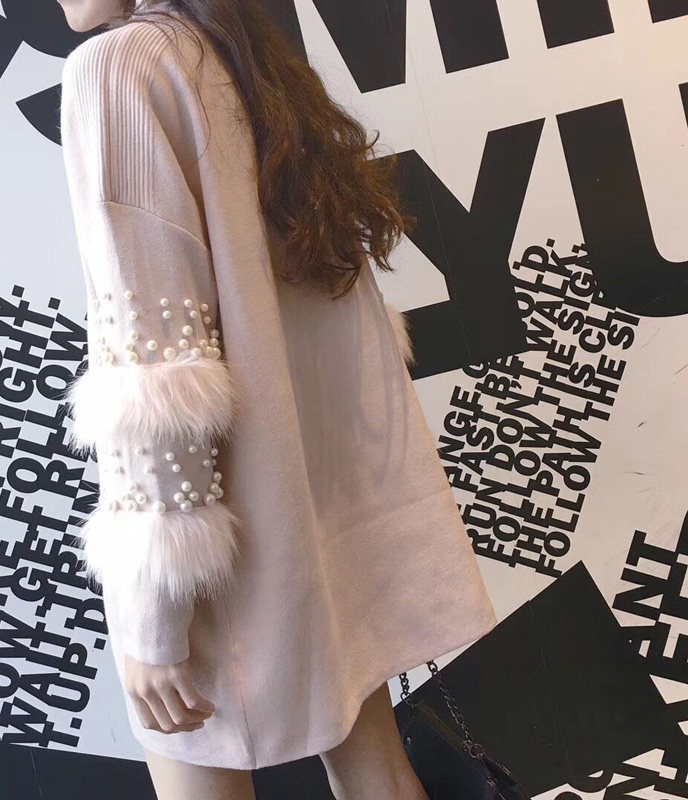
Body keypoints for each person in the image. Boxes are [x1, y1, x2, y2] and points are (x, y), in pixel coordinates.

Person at [56, 1, 498, 798]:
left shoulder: (118, 68)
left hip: (222, 553)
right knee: (380, 777)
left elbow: (156, 365)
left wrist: (154, 615)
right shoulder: (237, 54)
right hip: (321, 534)